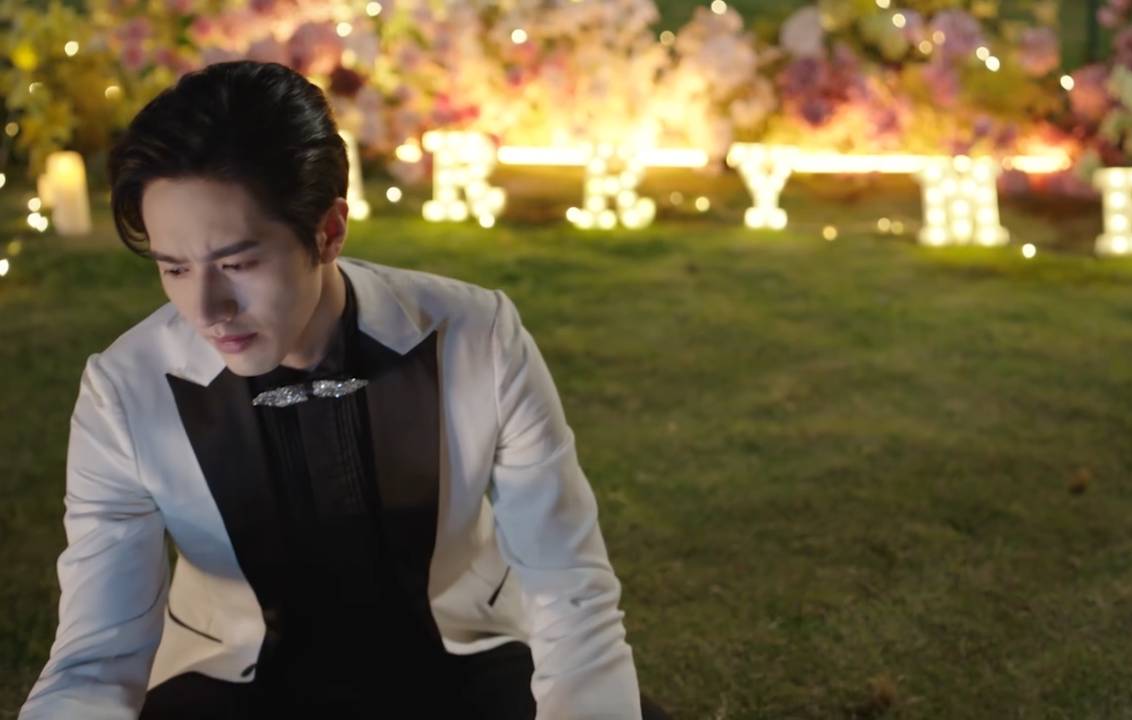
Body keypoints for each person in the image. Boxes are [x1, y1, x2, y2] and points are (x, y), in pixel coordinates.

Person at [19, 60, 668, 720]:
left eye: (237, 263)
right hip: (234, 684)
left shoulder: (478, 335)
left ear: (328, 231)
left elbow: (568, 586)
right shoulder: (123, 392)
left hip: (463, 665)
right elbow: (94, 660)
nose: (206, 309)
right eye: (175, 269)